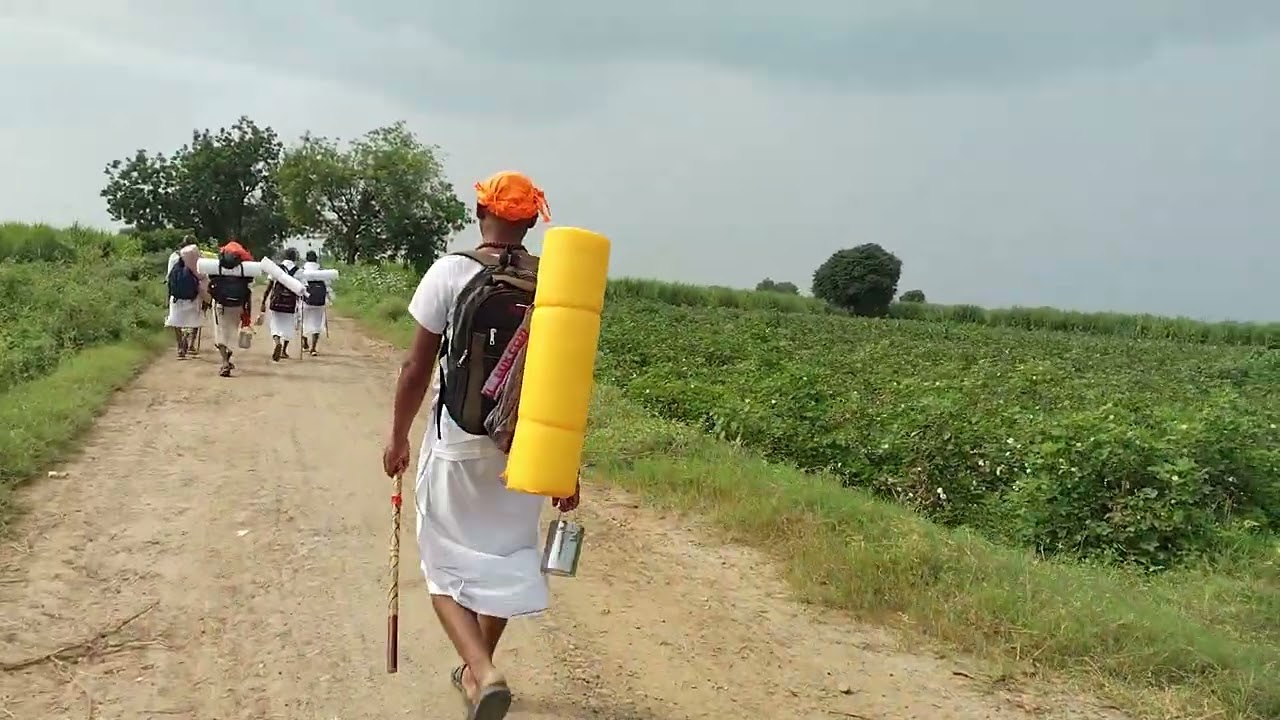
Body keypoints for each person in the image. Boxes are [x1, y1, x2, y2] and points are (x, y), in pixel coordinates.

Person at [382, 171, 579, 720]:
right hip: (527, 447)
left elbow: (415, 365)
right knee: (506, 556)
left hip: (460, 440)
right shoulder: (553, 283)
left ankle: (485, 671)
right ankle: (475, 674)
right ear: (532, 223)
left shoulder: (451, 271)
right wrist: (568, 465)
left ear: (480, 213)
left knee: (440, 564)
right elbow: (568, 380)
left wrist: (397, 434)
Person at [208, 240, 255, 377]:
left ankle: (224, 363)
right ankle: (227, 359)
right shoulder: (244, 269)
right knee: (231, 333)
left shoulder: (218, 266)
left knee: (221, 332)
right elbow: (249, 286)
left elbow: (211, 281)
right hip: (237, 305)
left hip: (220, 304)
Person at [260, 247, 302, 362]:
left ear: (284, 256)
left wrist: (263, 301)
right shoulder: (298, 271)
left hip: (277, 302)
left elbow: (269, 286)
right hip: (290, 303)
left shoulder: (276, 269)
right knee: (288, 326)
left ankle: (277, 342)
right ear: (295, 258)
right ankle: (284, 350)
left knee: (275, 325)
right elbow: (301, 289)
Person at [165, 242, 205, 360]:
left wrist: (168, 297)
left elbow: (169, 278)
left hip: (176, 296)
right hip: (193, 296)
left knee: (175, 321)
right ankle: (190, 342)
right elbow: (202, 277)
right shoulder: (198, 257)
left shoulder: (173, 257)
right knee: (194, 320)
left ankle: (180, 346)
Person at [299, 250, 332, 356]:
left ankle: (304, 343)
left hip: (306, 300)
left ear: (306, 259)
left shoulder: (302, 271)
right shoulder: (321, 271)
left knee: (304, 322)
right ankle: (313, 348)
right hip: (319, 302)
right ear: (316, 259)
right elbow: (328, 286)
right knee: (317, 324)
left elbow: (298, 285)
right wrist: (329, 298)